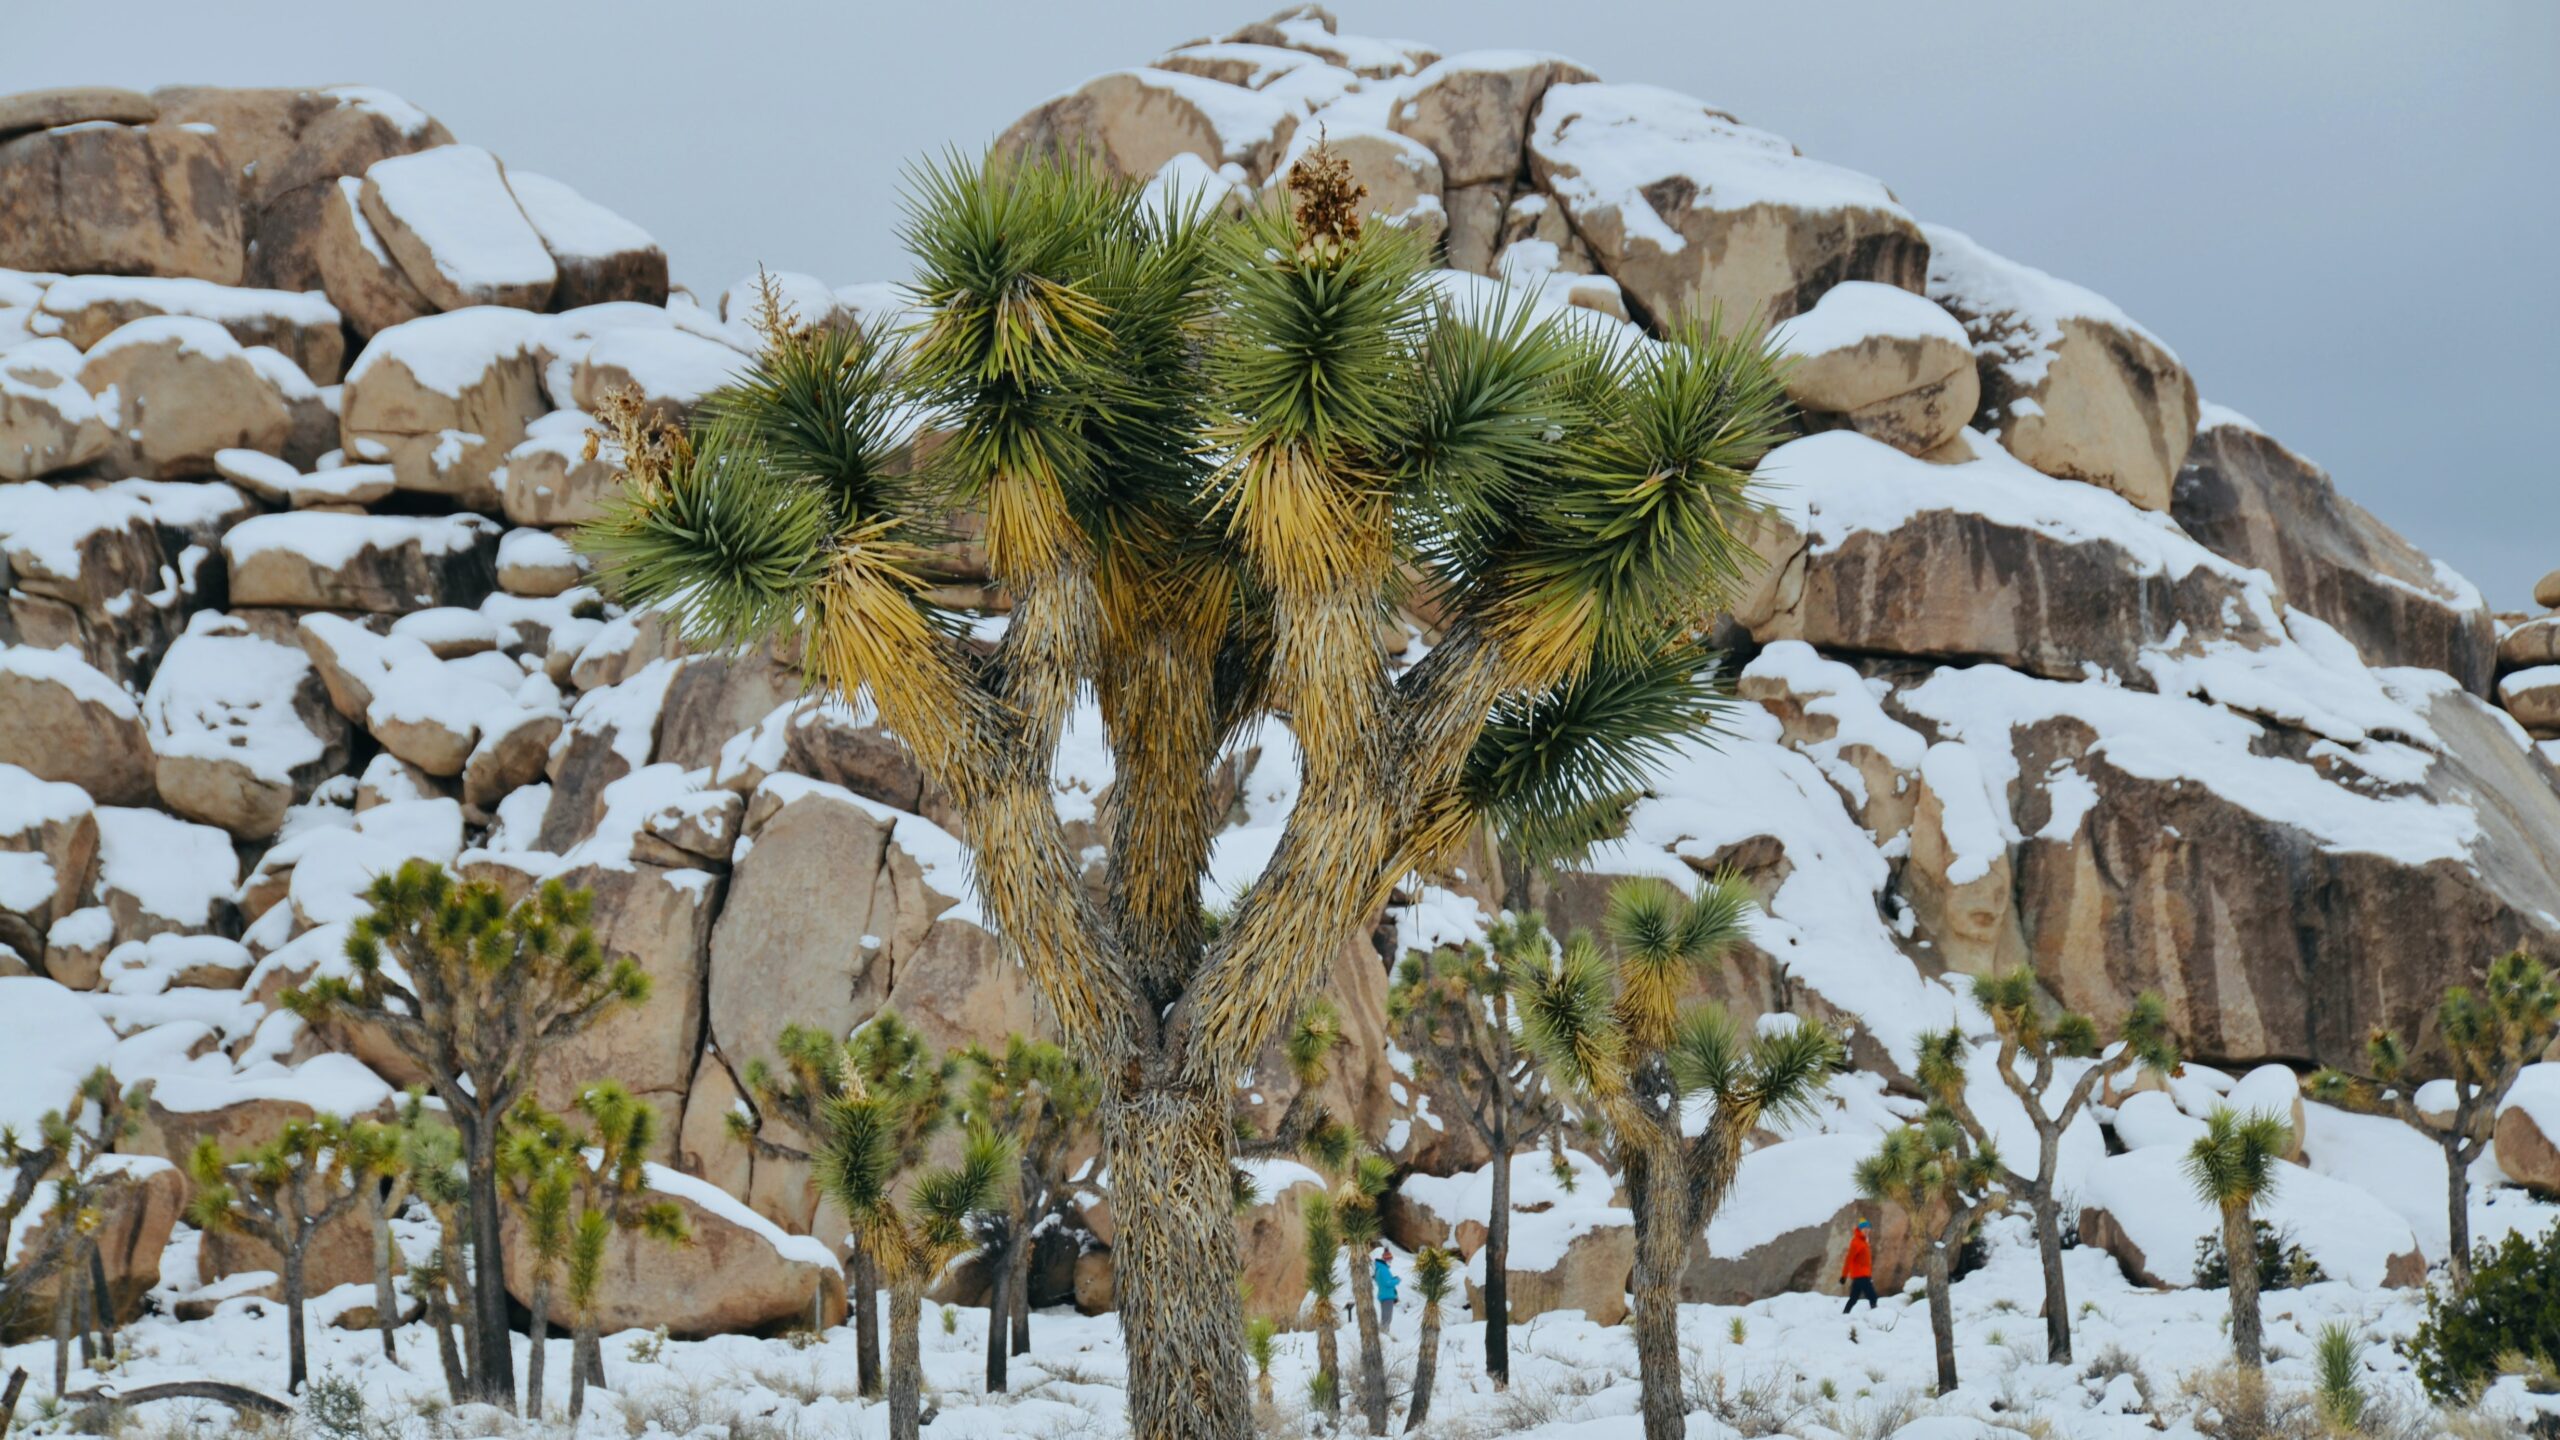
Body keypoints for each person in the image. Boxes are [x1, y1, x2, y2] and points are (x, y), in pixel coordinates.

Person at [1841, 1219, 1879, 1314]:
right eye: (1864, 1228)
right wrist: (1844, 1275)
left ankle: (1845, 1314)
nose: (1866, 1230)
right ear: (1860, 1229)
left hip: (1862, 1275)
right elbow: (1849, 1259)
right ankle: (1876, 1315)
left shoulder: (1864, 1241)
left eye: (1868, 1228)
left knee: (1854, 1298)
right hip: (1861, 1275)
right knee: (1872, 1296)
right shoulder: (1856, 1242)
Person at [1374, 1247, 1400, 1330]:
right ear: (1385, 1260)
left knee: (1385, 1316)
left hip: (1384, 1295)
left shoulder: (1379, 1269)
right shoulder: (1383, 1269)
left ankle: (1383, 1332)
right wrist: (1397, 1280)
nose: (1390, 1262)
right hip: (1387, 1295)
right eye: (1389, 1260)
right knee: (1387, 1317)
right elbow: (1387, 1282)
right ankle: (1384, 1332)